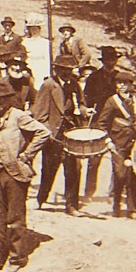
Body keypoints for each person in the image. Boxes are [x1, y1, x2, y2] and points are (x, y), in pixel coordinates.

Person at [0, 80, 50, 272]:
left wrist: (26, 155)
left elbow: (43, 132)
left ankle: (17, 258)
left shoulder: (19, 116)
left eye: (0, 100)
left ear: (9, 100)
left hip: (16, 174)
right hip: (0, 173)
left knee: (15, 219)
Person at [30, 59, 83, 215]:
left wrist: (86, 110)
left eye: (70, 69)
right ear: (57, 70)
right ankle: (41, 198)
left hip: (71, 133)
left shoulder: (74, 85)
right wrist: (48, 133)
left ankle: (71, 205)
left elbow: (82, 104)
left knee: (74, 169)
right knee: (49, 169)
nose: (68, 73)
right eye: (64, 70)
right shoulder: (48, 86)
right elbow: (39, 114)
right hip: (54, 135)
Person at [96, 72, 136, 218]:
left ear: (131, 85)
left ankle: (132, 209)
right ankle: (116, 205)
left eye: (125, 83)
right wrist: (108, 141)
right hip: (117, 142)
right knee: (120, 173)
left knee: (133, 173)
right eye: (119, 83)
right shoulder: (112, 101)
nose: (122, 86)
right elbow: (102, 123)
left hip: (134, 142)